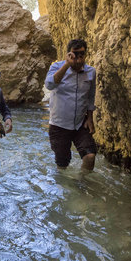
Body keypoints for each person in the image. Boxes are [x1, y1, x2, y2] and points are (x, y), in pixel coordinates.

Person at [45, 39, 97, 171]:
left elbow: (90, 96)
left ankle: (83, 186)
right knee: (62, 166)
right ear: (69, 54)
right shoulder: (57, 67)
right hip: (59, 124)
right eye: (75, 54)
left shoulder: (91, 72)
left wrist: (90, 118)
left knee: (90, 156)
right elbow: (49, 85)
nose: (79, 59)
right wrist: (67, 65)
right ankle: (66, 188)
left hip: (80, 123)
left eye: (82, 55)